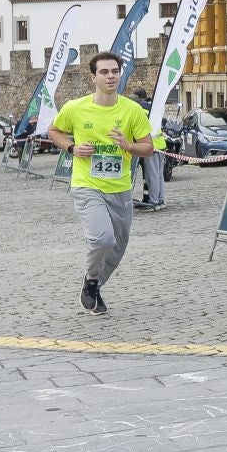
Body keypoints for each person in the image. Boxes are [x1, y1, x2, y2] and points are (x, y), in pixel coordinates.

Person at [47, 52, 154, 316]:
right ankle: (93, 278)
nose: (110, 76)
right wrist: (72, 147)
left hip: (120, 188)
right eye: (104, 72)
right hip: (87, 185)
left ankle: (92, 284)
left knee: (118, 247)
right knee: (102, 238)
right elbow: (53, 131)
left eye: (114, 71)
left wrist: (128, 146)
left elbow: (148, 148)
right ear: (93, 77)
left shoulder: (132, 110)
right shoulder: (75, 107)